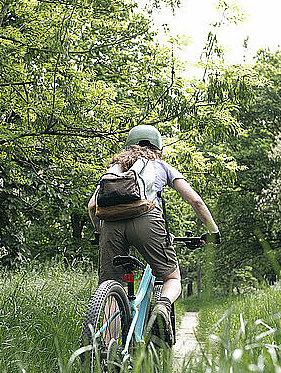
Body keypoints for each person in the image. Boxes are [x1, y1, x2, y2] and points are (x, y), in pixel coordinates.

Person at [87, 125, 220, 344]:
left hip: (111, 225)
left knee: (113, 283)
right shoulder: (161, 166)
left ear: (129, 144)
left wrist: (99, 231)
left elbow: (92, 206)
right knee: (172, 277)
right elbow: (195, 200)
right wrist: (213, 232)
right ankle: (162, 306)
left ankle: (107, 353)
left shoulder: (115, 168)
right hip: (146, 221)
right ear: (157, 147)